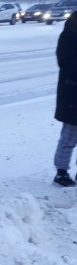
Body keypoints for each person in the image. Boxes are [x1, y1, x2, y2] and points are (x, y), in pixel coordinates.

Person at [53, 13, 77, 186]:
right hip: (72, 93)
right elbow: (66, 62)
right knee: (69, 137)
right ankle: (61, 173)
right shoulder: (69, 35)